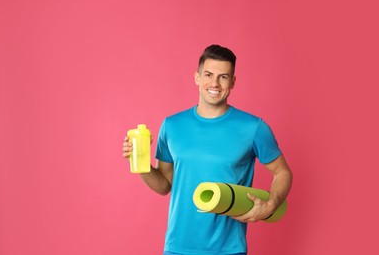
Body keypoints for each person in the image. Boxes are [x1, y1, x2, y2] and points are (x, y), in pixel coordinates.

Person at [122, 45, 293, 255]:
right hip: (177, 248)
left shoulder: (253, 127)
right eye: (209, 75)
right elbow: (165, 185)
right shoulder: (172, 126)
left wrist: (271, 204)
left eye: (223, 77)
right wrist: (139, 163)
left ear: (233, 82)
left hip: (228, 249)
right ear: (197, 77)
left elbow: (282, 172)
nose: (214, 83)